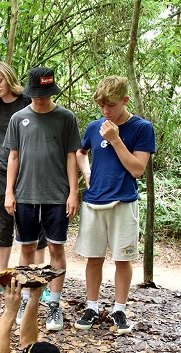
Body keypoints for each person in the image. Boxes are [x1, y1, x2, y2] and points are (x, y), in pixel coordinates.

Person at [74, 76, 156, 335]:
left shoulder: (142, 128)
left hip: (124, 202)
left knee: (123, 258)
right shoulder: (93, 126)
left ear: (125, 100)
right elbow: (80, 152)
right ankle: (92, 306)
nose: (105, 111)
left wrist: (116, 139)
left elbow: (137, 170)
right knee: (94, 257)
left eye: (110, 105)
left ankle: (119, 309)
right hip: (94, 201)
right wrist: (86, 173)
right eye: (101, 106)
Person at [4, 67, 81, 331]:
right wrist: (9, 192)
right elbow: (13, 157)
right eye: (36, 94)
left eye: (45, 94)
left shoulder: (65, 118)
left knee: (56, 248)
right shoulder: (18, 118)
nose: (40, 98)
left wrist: (73, 192)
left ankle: (54, 305)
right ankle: (27, 300)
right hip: (25, 194)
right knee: (27, 249)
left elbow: (72, 156)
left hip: (57, 195)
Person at [0, 61, 48, 297]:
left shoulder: (28, 100)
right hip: (0, 172)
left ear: (9, 77)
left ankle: (38, 283)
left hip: (29, 173)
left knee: (35, 231)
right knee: (1, 226)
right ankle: (2, 281)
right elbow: (0, 138)